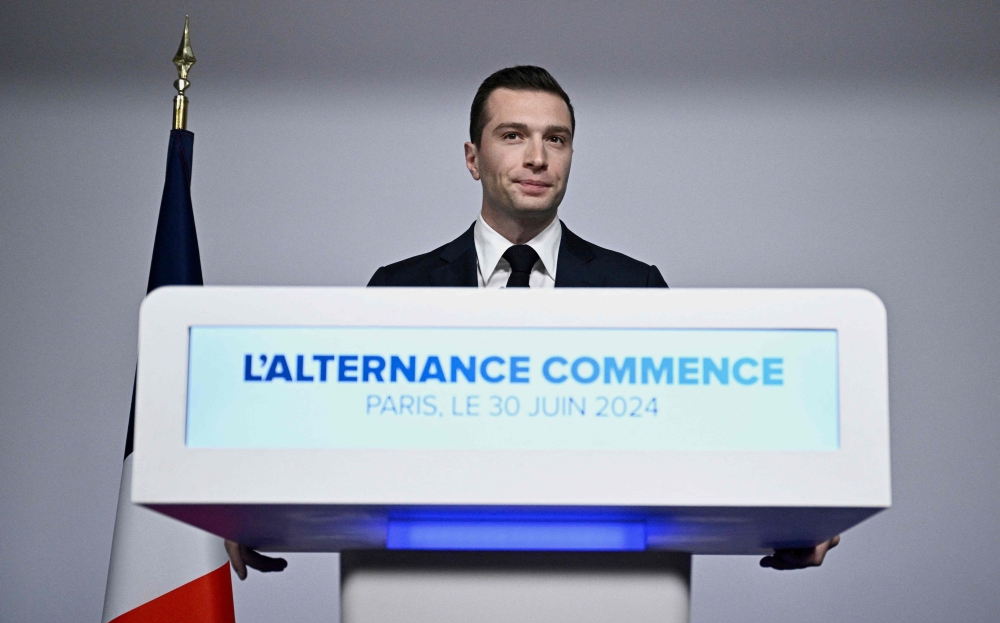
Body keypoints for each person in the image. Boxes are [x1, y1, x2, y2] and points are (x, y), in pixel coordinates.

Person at [226, 65, 839, 579]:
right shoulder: (398, 288)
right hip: (425, 588)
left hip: (609, 591)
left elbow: (697, 438)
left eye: (557, 139)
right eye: (513, 135)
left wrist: (790, 519)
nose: (538, 157)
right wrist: (260, 511)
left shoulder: (636, 288)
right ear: (473, 156)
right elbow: (346, 441)